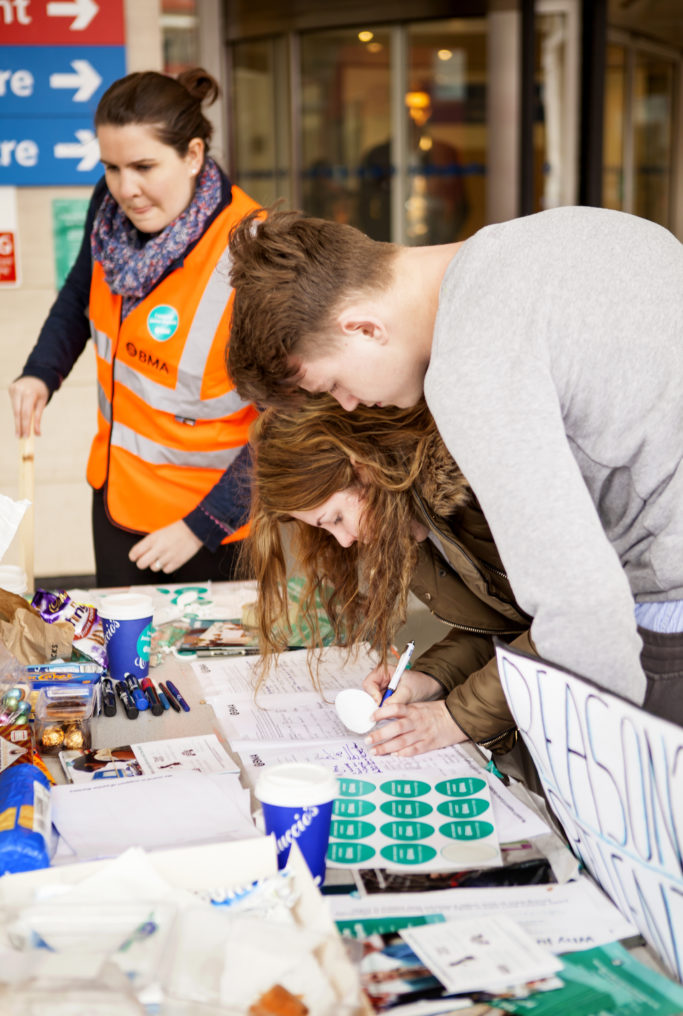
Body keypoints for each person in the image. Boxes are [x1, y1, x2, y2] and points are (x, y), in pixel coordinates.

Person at [227, 206, 683, 724]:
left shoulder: (469, 370)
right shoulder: (570, 233)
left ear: (363, 327)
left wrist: (607, 770)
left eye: (332, 384)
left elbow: (581, 612)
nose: (347, 406)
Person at [10, 68, 260, 587]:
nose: (126, 189)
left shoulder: (256, 250)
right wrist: (41, 373)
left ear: (193, 155)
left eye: (144, 166)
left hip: (213, 526)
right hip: (116, 499)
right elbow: (81, 294)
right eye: (111, 167)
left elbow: (291, 424)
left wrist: (202, 525)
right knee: (124, 662)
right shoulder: (106, 208)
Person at [248, 396, 532, 759]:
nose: (345, 541)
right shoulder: (411, 524)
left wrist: (454, 717)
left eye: (336, 519)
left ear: (363, 470)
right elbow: (505, 624)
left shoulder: (478, 493)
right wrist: (430, 679)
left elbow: (562, 628)